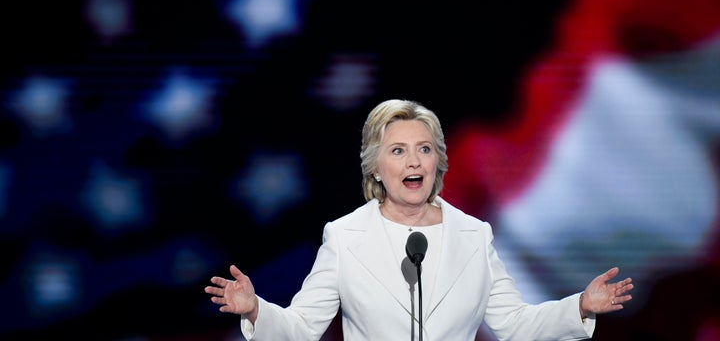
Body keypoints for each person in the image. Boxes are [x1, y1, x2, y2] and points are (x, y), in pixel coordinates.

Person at [204, 99, 635, 340]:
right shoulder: (345, 237)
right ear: (375, 167)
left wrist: (578, 306)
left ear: (437, 162)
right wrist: (256, 310)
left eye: (424, 149)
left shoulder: (473, 235)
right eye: (398, 150)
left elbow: (514, 324)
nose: (414, 161)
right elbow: (301, 329)